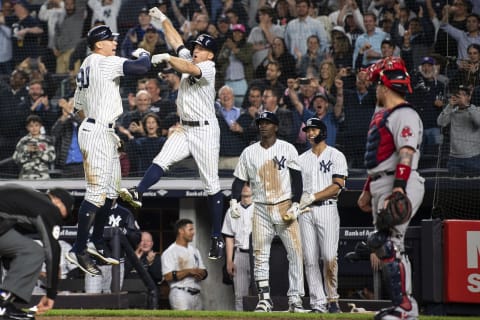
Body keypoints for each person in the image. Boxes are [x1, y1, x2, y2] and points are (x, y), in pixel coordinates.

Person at [120, 7, 225, 260]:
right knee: (161, 160)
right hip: (185, 128)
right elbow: (177, 42)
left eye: (200, 48)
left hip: (205, 132)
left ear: (209, 53)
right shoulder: (193, 58)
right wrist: (164, 20)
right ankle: (139, 192)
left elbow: (183, 64)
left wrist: (166, 58)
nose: (196, 49)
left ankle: (217, 238)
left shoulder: (208, 67)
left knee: (211, 184)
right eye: (196, 47)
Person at [66, 24, 151, 276]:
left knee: (111, 194)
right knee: (96, 193)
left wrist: (102, 125)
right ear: (99, 44)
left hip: (100, 129)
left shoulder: (86, 65)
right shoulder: (104, 61)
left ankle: (96, 241)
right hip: (96, 132)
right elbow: (141, 68)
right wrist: (143, 53)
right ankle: (78, 249)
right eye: (110, 40)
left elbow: (77, 107)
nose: (114, 43)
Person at [357, 56, 424, 320]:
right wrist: (366, 188)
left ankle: (405, 308)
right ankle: (402, 305)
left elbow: (405, 153)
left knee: (390, 244)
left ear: (385, 87)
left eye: (377, 85)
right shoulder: (384, 114)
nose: (376, 90)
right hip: (381, 181)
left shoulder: (404, 113)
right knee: (387, 244)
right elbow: (379, 160)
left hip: (401, 181)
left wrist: (398, 189)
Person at [231, 111, 307, 313]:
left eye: (267, 123)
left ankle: (295, 300)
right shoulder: (249, 152)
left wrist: (297, 203)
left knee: (296, 254)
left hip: (284, 205)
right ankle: (264, 299)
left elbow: (297, 179)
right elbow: (239, 180)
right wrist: (233, 200)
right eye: (260, 123)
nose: (263, 126)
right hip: (261, 208)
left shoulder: (287, 148)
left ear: (276, 127)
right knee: (260, 255)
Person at [0, 184, 74, 319]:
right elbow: (52, 250)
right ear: (58, 201)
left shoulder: (30, 198)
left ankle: (3, 304)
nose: (62, 218)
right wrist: (51, 294)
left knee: (23, 250)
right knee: (33, 251)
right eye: (66, 211)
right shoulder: (50, 208)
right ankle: (2, 304)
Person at [297, 118, 348, 313]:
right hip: (306, 212)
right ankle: (318, 303)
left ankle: (332, 298)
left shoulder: (336, 155)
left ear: (322, 131)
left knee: (328, 256)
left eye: (314, 130)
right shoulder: (301, 159)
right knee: (309, 259)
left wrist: (312, 196)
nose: (310, 133)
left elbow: (337, 186)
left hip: (327, 207)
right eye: (308, 130)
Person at [84, 203, 142, 294]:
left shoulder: (125, 213)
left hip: (116, 263)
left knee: (113, 299)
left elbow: (137, 237)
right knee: (91, 298)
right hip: (94, 262)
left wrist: (123, 231)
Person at [161, 219, 207, 310]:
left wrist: (201, 273)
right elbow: (168, 276)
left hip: (197, 294)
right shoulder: (170, 252)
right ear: (181, 231)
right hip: (180, 293)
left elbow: (204, 271)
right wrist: (189, 271)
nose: (193, 232)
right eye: (190, 230)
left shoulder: (195, 251)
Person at [221, 184, 254, 311]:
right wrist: (229, 260)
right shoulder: (232, 210)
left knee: (261, 294)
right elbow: (229, 237)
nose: (246, 198)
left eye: (249, 195)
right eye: (244, 195)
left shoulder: (260, 208)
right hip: (240, 254)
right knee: (240, 295)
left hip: (257, 254)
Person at [437, 84, 480, 177]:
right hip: (454, 159)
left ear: (469, 97)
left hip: (474, 158)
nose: (459, 97)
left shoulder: (476, 110)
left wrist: (467, 106)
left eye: (463, 95)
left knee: (474, 188)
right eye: (457, 95)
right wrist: (449, 106)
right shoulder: (452, 111)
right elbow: (441, 122)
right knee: (455, 187)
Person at [12, 114, 56, 180]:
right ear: (27, 127)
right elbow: (15, 158)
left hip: (43, 177)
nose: (34, 128)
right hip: (26, 176)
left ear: (40, 126)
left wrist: (39, 152)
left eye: (36, 125)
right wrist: (26, 151)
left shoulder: (47, 141)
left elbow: (52, 158)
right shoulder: (23, 141)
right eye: (31, 126)